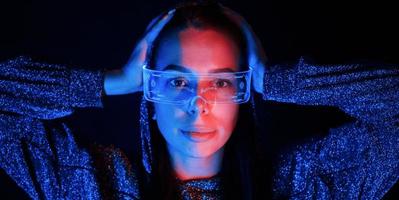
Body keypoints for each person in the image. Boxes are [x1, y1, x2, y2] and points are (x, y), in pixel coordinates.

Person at [0, 1, 398, 200]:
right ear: (149, 95)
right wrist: (113, 81)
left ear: (243, 94)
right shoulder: (95, 180)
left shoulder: (304, 182)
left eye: (222, 83)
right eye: (177, 82)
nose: (198, 103)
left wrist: (277, 79)